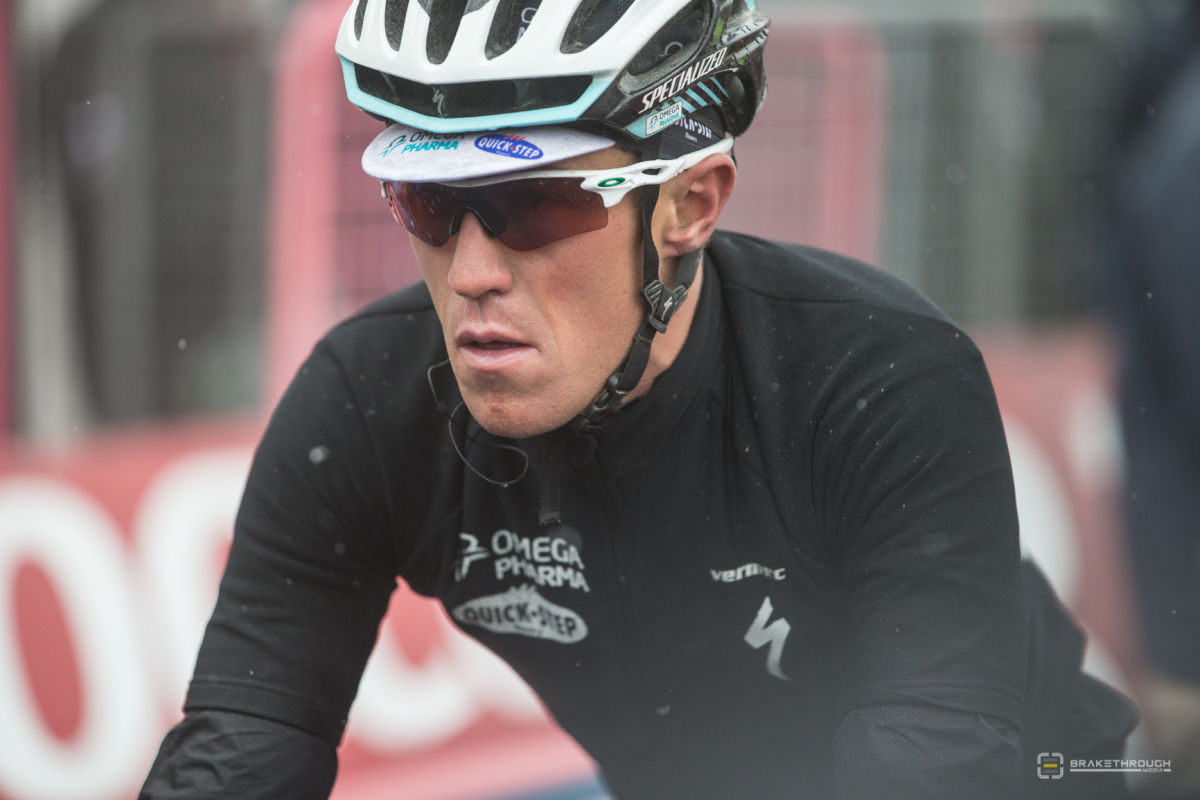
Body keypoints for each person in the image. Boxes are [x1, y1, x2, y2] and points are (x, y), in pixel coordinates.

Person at [140, 1, 1135, 797]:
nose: (472, 272)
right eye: (429, 204)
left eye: (535, 204)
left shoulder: (881, 377)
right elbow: (243, 748)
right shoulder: (366, 400)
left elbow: (932, 765)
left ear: (690, 205)